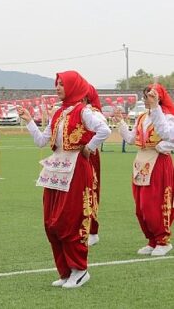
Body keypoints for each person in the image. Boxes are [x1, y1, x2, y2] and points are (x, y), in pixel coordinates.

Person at [17, 70, 111, 288]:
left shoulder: (84, 111)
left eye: (61, 84)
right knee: (51, 221)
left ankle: (80, 269)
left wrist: (89, 147)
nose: (57, 87)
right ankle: (65, 270)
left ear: (74, 86)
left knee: (70, 219)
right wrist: (30, 121)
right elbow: (42, 141)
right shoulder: (59, 113)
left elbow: (104, 130)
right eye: (56, 84)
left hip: (76, 168)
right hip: (56, 169)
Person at [114, 83, 174, 256]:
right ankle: (152, 240)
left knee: (153, 204)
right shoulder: (141, 117)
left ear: (159, 97)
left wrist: (164, 146)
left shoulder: (168, 117)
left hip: (158, 162)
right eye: (146, 95)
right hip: (141, 162)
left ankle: (163, 240)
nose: (147, 98)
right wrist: (121, 123)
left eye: (152, 95)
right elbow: (132, 139)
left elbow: (168, 135)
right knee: (140, 207)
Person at [84, 85, 105, 246]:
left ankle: (92, 230)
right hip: (72, 156)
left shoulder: (93, 113)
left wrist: (89, 147)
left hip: (89, 155)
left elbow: (103, 131)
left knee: (90, 191)